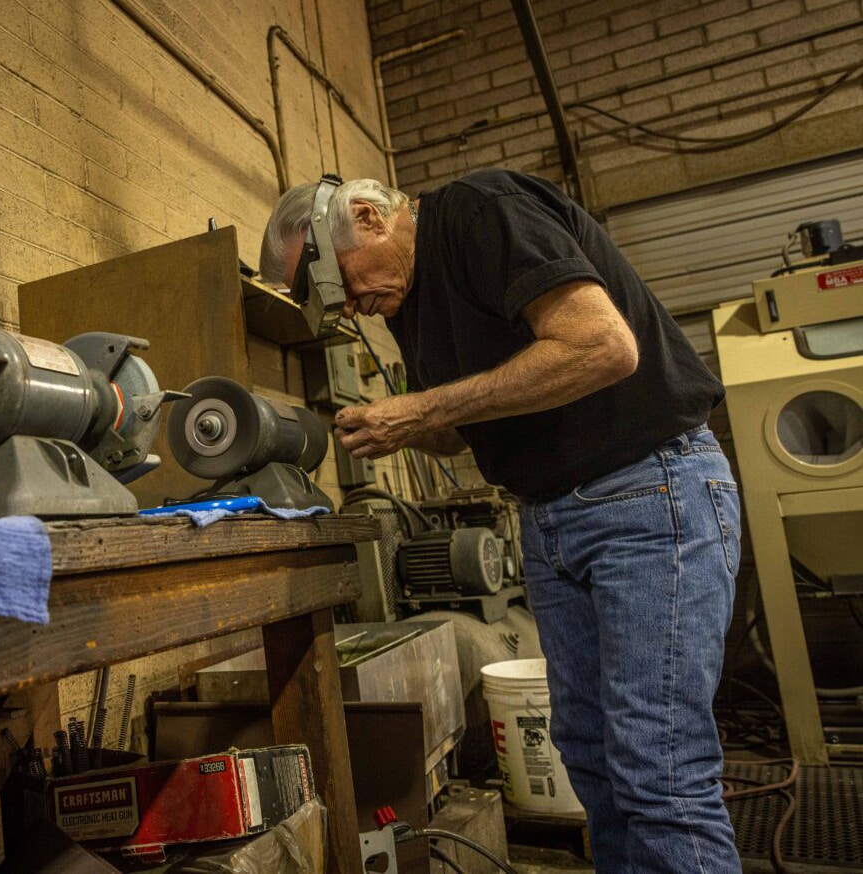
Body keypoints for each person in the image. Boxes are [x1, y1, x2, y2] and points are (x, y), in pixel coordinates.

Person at [260, 170, 743, 873]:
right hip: (552, 516)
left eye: (345, 285)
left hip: (645, 492)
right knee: (593, 757)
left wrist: (424, 408)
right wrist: (397, 427)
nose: (357, 309)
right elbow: (463, 429)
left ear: (368, 216)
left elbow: (602, 345)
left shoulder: (481, 214)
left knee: (657, 764)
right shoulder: (408, 302)